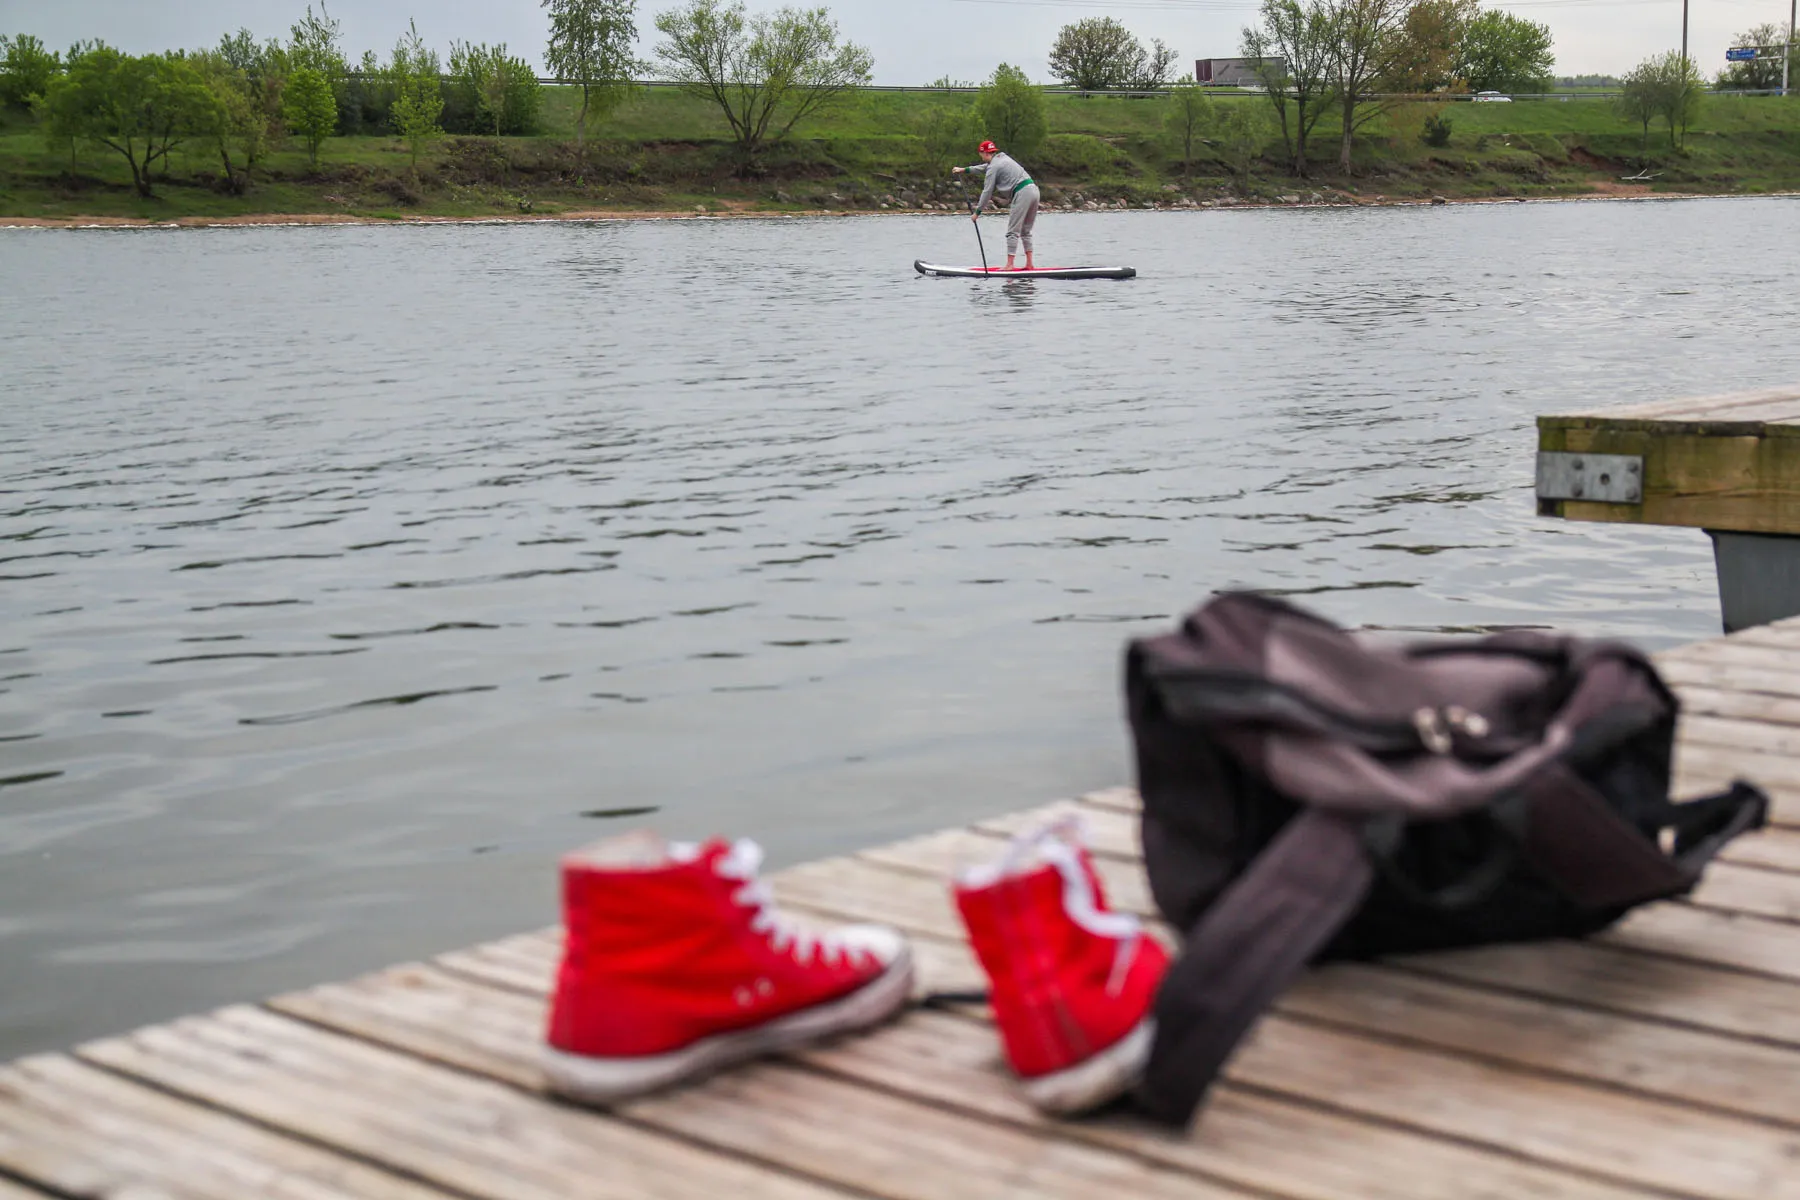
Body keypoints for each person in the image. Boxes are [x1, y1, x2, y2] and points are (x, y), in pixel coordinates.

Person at [953, 139, 1041, 272]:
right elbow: (984, 167)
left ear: (984, 153)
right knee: (1025, 231)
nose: (981, 157)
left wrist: (977, 212)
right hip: (1034, 190)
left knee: (1012, 231)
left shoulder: (994, 167)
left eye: (981, 154)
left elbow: (987, 191)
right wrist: (964, 170)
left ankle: (1010, 265)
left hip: (1022, 193)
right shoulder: (1002, 158)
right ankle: (1029, 264)